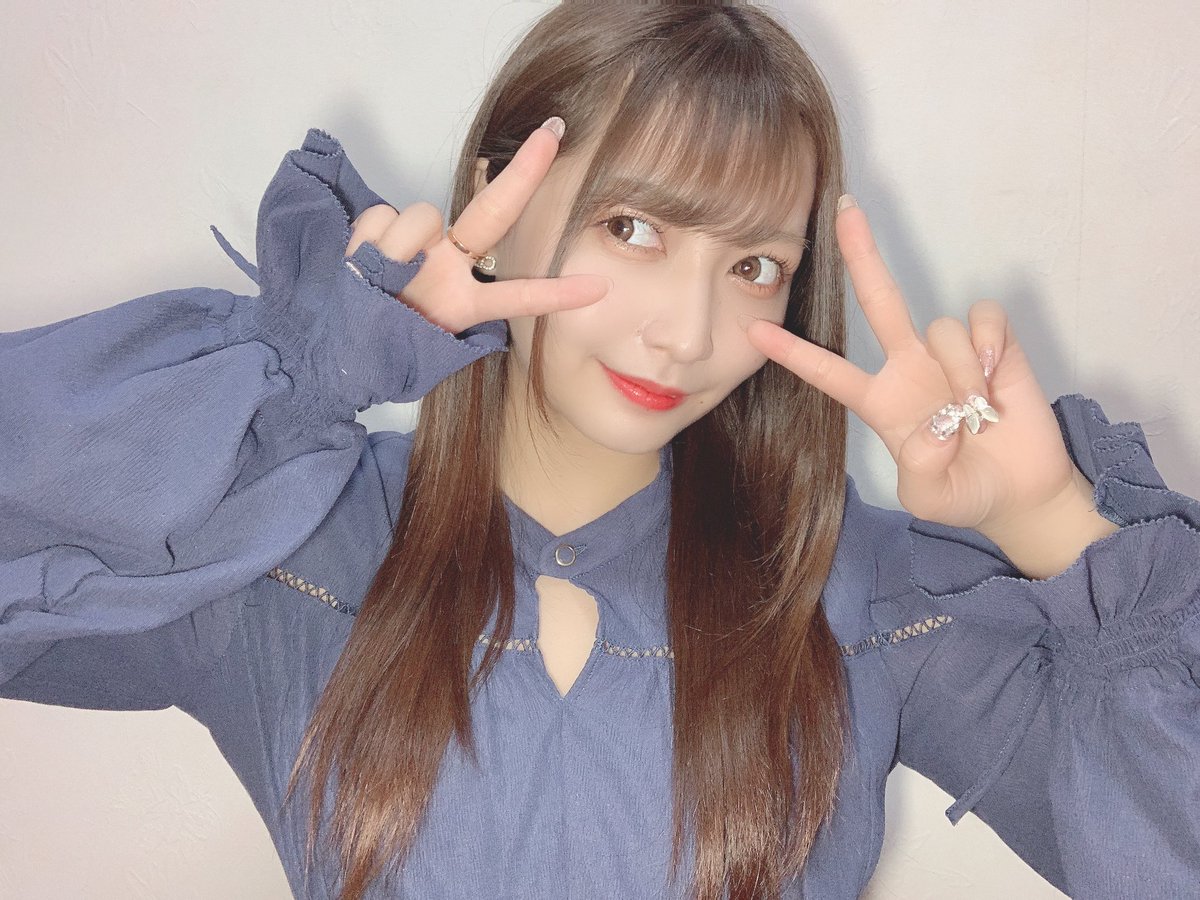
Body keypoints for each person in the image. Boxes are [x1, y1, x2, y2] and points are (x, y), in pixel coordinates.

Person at [2, 3, 1197, 898]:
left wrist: (1052, 526)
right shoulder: (294, 550)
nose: (686, 331)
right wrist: (307, 375)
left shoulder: (859, 596)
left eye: (753, 266)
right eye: (633, 228)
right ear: (501, 202)